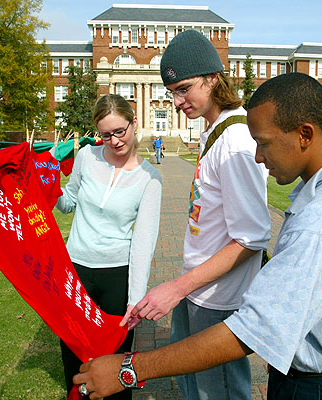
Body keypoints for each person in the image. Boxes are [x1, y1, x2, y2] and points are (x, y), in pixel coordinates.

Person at [73, 73, 322, 400]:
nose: (259, 158)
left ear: (304, 134)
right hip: (319, 374)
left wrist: (130, 369)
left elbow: (255, 329)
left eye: (263, 144)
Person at [128, 29, 271, 400]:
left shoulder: (237, 142)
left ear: (213, 78)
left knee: (218, 393)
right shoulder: (214, 132)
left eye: (184, 88)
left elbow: (252, 238)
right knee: (192, 387)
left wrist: (175, 288)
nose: (176, 102)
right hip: (198, 290)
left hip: (220, 299)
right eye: (171, 92)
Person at [55, 94, 162, 399]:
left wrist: (135, 300)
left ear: (134, 123)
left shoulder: (149, 178)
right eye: (105, 134)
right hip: (76, 271)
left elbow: (143, 242)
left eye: (120, 131)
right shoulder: (87, 157)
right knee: (73, 353)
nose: (114, 141)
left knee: (115, 361)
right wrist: (48, 187)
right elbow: (68, 201)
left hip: (117, 276)